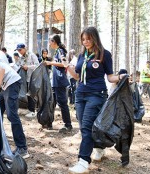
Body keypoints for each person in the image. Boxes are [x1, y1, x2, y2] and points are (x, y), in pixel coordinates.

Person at [67, 27, 126, 173]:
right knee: (85, 127)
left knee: (87, 127)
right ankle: (99, 148)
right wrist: (68, 69)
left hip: (96, 95)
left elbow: (110, 76)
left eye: (88, 38)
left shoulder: (104, 54)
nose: (86, 42)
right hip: (80, 95)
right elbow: (78, 77)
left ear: (95, 38)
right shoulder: (82, 55)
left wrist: (120, 77)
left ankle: (83, 161)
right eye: (83, 39)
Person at [44, 35, 72, 132]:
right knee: (52, 102)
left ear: (54, 41)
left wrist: (50, 63)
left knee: (62, 103)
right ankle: (48, 123)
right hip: (55, 81)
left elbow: (64, 64)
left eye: (50, 41)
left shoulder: (61, 51)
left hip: (60, 81)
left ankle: (68, 125)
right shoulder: (57, 51)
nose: (49, 43)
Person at [15, 43, 39, 118]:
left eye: (20, 50)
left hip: (32, 78)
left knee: (31, 94)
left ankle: (32, 111)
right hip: (24, 79)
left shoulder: (32, 55)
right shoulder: (21, 57)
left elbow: (37, 65)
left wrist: (28, 67)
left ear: (25, 48)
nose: (19, 52)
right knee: (27, 94)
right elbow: (17, 65)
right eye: (18, 50)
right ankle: (29, 109)